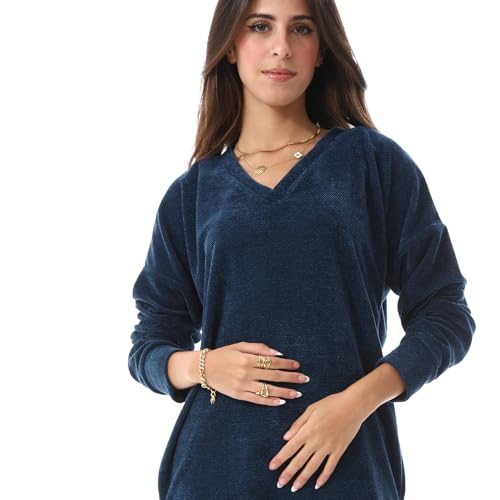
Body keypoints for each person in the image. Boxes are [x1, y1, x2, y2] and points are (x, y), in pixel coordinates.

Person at [128, 0, 476, 498]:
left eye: (302, 29)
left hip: (349, 474)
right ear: (230, 47)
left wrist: (357, 403)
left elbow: (446, 313)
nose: (282, 47)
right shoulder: (192, 194)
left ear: (322, 50)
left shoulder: (373, 164)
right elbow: (149, 342)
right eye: (260, 26)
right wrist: (203, 366)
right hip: (213, 474)